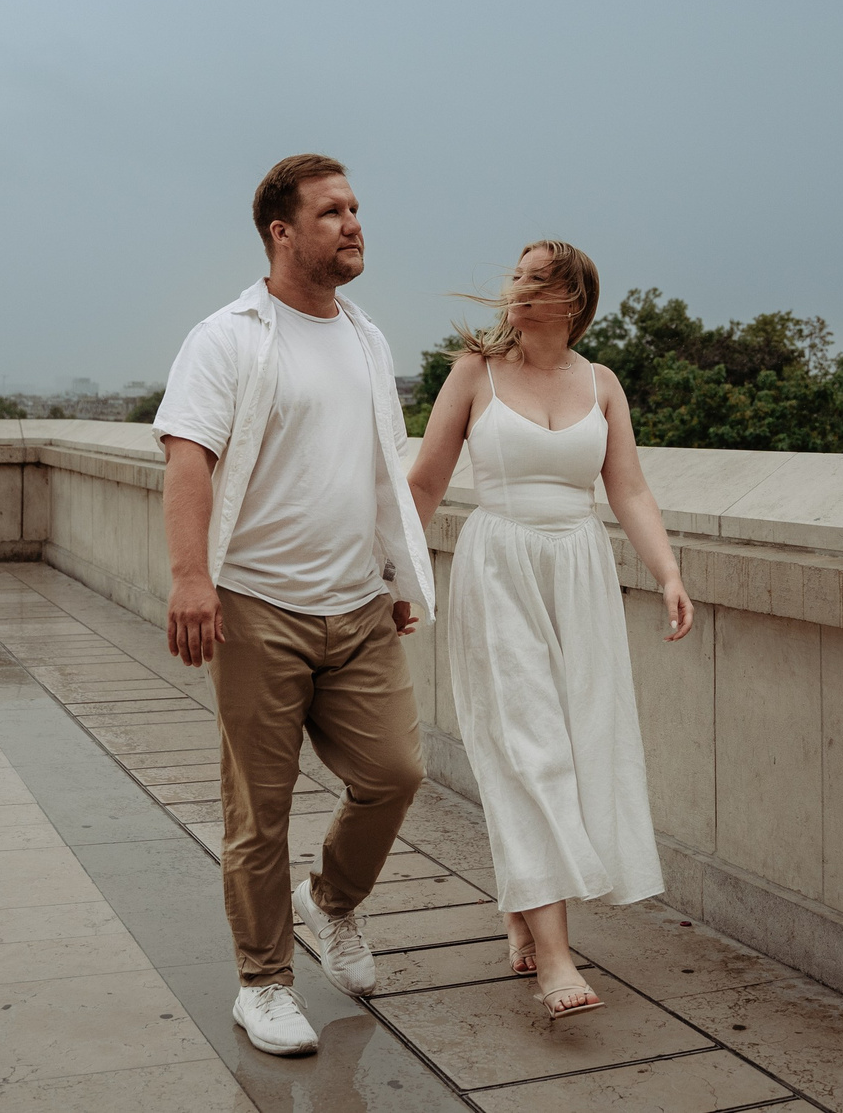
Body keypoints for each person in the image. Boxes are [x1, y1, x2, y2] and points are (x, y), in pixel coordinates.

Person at [153, 154, 436, 1058]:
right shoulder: (227, 336)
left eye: (356, 208)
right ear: (281, 231)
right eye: (331, 212)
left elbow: (381, 466)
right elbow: (187, 458)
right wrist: (192, 577)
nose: (354, 223)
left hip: (358, 607)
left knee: (395, 773)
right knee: (258, 809)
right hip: (257, 606)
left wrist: (395, 572)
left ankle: (334, 902)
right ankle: (264, 981)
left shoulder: (368, 338)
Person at [405, 240, 694, 1020]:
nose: (514, 287)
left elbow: (627, 486)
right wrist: (395, 574)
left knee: (575, 744)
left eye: (534, 278)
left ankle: (524, 903)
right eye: (516, 274)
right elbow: (425, 480)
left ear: (570, 298)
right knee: (527, 747)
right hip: (499, 568)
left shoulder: (601, 383)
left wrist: (667, 571)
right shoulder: (474, 371)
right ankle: (557, 957)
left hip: (581, 573)